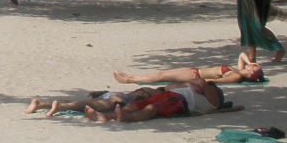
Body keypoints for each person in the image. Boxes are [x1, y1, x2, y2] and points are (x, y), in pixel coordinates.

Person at [84, 78, 222, 122]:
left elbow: (203, 82)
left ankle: (124, 118)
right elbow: (168, 87)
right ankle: (105, 116)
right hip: (170, 95)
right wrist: (188, 84)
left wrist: (191, 83)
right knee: (135, 105)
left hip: (179, 101)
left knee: (152, 109)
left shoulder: (212, 101)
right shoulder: (198, 92)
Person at [111, 54, 265, 85]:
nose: (252, 64)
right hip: (195, 71)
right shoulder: (239, 70)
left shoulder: (237, 76)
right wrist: (250, 62)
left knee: (161, 75)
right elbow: (242, 55)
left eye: (254, 66)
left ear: (252, 72)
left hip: (195, 74)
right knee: (162, 74)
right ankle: (132, 77)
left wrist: (195, 82)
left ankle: (130, 79)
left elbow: (215, 81)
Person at [25, 88, 156, 117]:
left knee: (81, 102)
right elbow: (138, 102)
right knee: (89, 104)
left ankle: (40, 104)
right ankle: (60, 107)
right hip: (119, 98)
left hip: (112, 94)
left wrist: (99, 93)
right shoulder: (153, 93)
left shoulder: (145, 90)